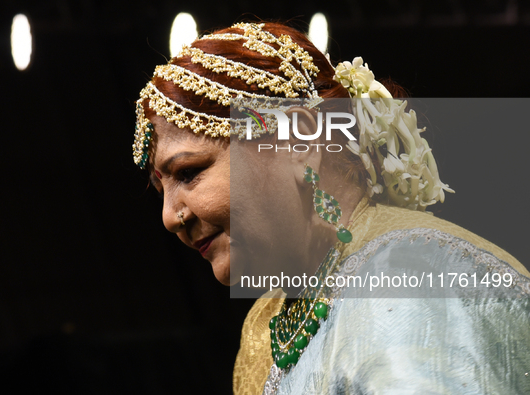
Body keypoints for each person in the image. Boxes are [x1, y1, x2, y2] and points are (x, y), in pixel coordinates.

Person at [133, 21, 530, 394]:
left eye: (188, 172)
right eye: (159, 188)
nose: (170, 216)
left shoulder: (408, 273)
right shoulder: (267, 322)